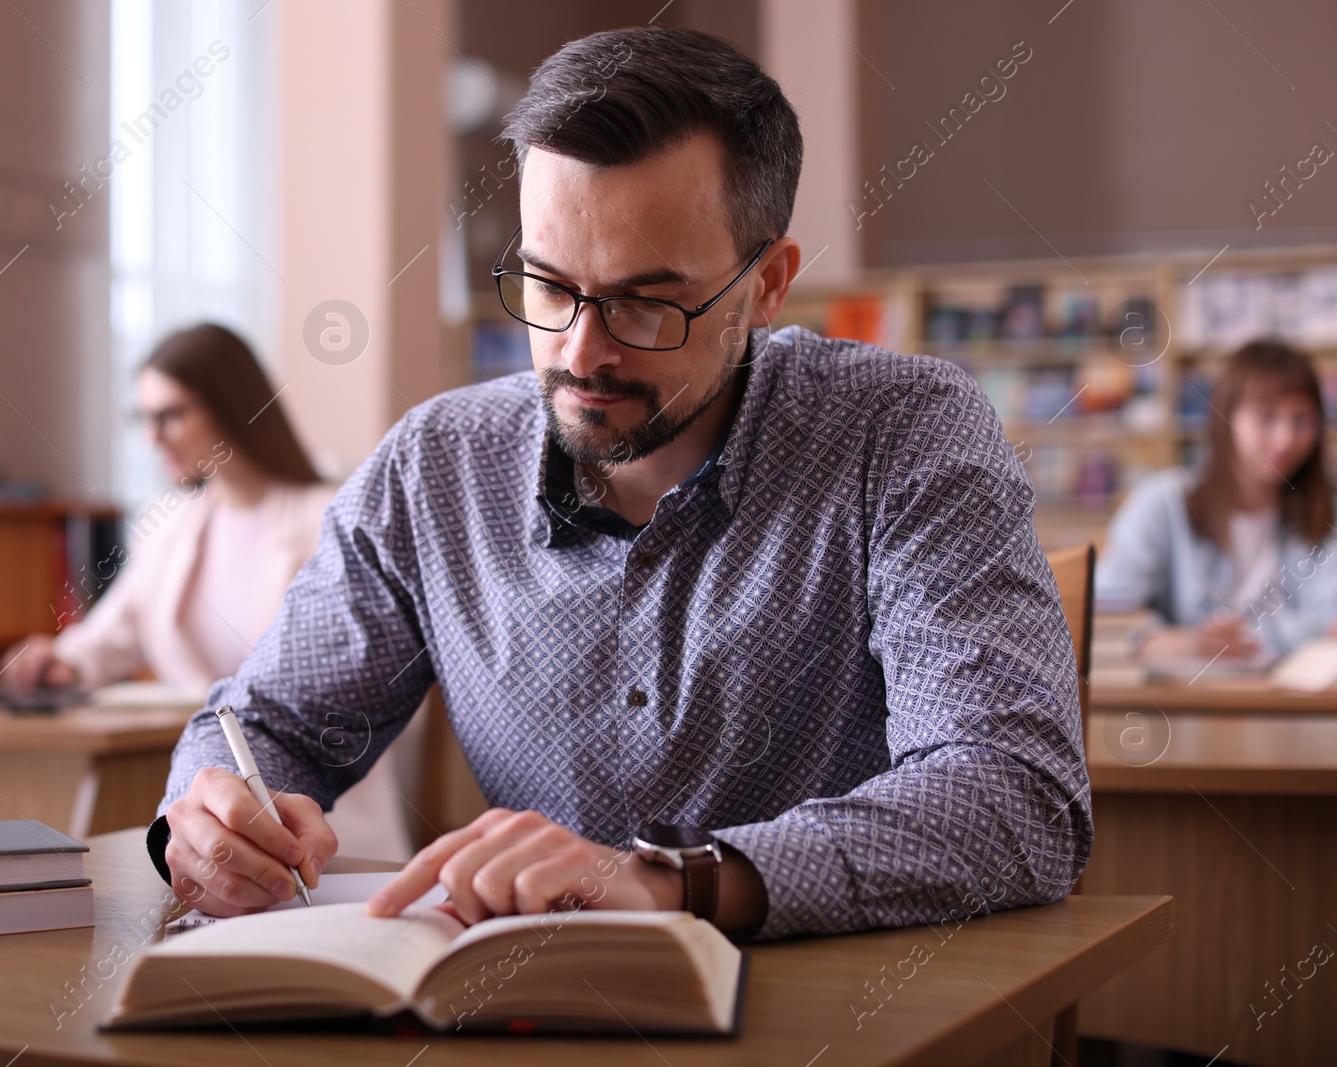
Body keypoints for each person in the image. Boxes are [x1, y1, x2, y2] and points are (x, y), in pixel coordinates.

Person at [152, 27, 1089, 940]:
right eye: (548, 285)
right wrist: (207, 821)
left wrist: (670, 881)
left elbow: (1013, 795)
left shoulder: (904, 432)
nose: (580, 352)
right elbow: (266, 721)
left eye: (646, 301)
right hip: (529, 1014)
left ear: (767, 285)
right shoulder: (434, 467)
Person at [2, 323, 412, 861]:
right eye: (143, 419)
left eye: (171, 415)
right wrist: (60, 663)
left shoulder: (326, 517)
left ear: (231, 406)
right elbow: (109, 636)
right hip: (196, 798)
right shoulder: (169, 522)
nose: (154, 437)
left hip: (319, 819)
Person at [1097, 339, 1337, 664]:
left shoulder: (1324, 514)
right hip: (1182, 703)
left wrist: (1223, 641)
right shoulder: (1161, 502)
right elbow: (1106, 621)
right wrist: (1178, 642)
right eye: (1266, 417)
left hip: (1291, 704)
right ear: (1226, 419)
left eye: (1302, 421)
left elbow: (1330, 623)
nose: (1286, 439)